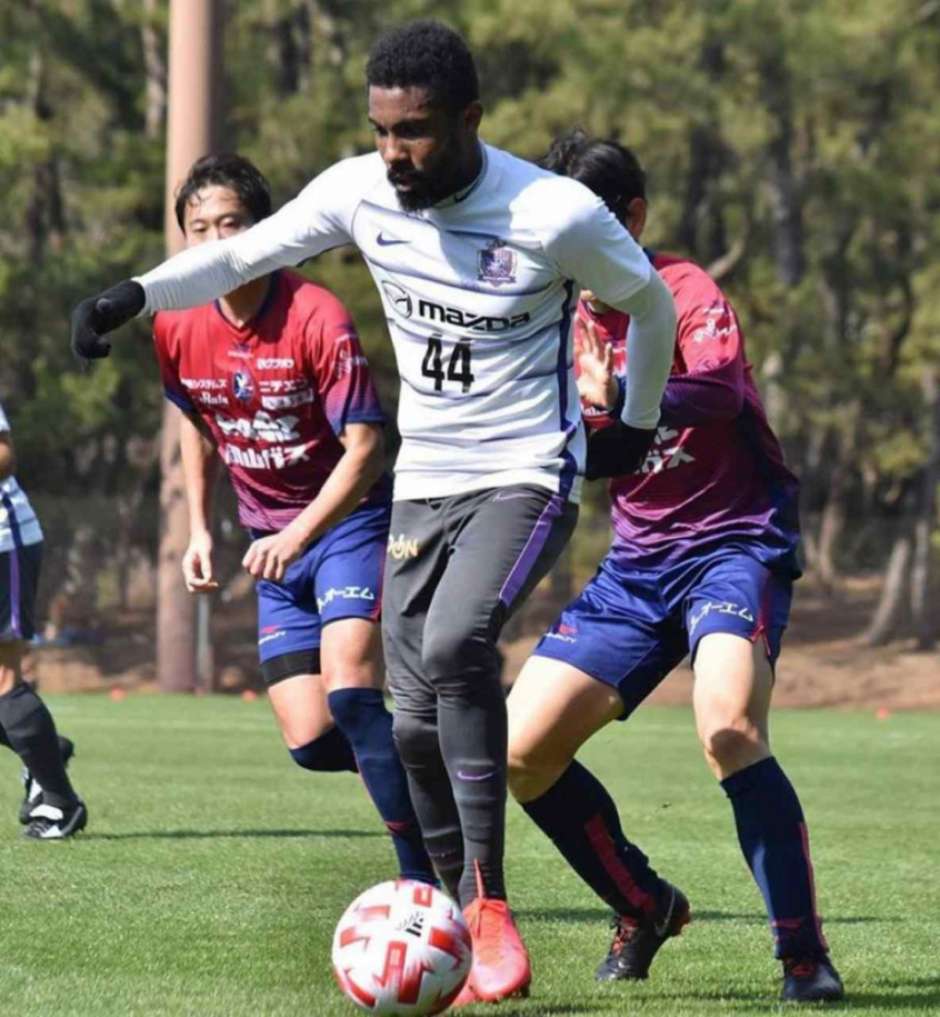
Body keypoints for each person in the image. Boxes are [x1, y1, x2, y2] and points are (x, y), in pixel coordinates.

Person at [70, 22, 676, 1003]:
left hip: (524, 471)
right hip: (425, 479)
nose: (396, 155)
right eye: (383, 131)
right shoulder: (359, 188)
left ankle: (485, 907)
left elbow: (650, 307)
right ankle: (452, 907)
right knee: (403, 727)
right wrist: (131, 296)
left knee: (450, 648)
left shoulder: (551, 213)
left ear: (471, 119)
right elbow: (238, 259)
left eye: (419, 132)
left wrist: (636, 428)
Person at [505, 131, 844, 1004]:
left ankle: (802, 955)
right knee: (519, 752)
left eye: (586, 228)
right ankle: (644, 902)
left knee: (728, 727)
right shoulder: (563, 313)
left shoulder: (683, 291)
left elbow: (719, 391)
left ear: (633, 219)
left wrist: (615, 398)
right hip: (639, 563)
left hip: (735, 545)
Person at [152, 152, 434, 886]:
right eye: (198, 228)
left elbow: (368, 448)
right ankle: (432, 767)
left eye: (231, 224)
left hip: (347, 526)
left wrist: (299, 533)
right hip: (268, 541)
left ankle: (426, 879)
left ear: (266, 229)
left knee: (351, 691)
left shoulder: (316, 315)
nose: (214, 240)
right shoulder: (177, 322)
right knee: (312, 739)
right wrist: (202, 529)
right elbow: (196, 417)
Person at [0, 399, 86, 839]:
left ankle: (59, 801)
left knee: (3, 678)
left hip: (1, 541)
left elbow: (3, 453)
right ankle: (44, 751)